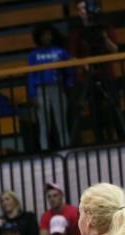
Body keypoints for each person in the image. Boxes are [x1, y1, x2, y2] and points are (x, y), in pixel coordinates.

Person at [69, 0, 125, 143]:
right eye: (80, 9)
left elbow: (115, 49)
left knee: (114, 106)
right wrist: (84, 64)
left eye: (85, 8)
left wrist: (104, 36)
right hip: (88, 76)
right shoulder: (77, 32)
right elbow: (72, 56)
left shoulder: (105, 26)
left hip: (106, 73)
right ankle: (100, 141)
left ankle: (123, 139)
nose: (83, 11)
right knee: (95, 111)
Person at [28, 23, 71, 151]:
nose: (47, 37)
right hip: (41, 90)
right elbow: (31, 75)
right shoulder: (33, 55)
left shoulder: (61, 52)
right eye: (44, 34)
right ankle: (45, 150)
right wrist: (32, 94)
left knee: (61, 121)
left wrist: (68, 85)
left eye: (49, 34)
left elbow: (68, 71)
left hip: (57, 88)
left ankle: (66, 149)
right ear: (39, 37)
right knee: (44, 124)